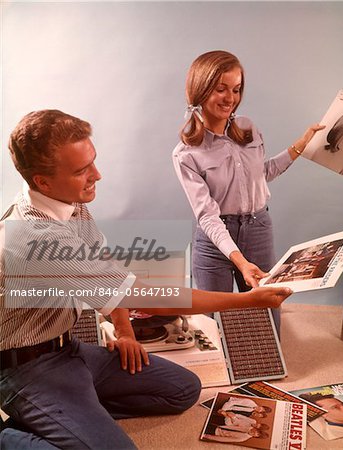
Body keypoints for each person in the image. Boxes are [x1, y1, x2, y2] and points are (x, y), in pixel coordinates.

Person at [0, 109, 293, 450]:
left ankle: (73, 418)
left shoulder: (69, 202)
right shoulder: (35, 237)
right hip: (27, 370)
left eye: (93, 161)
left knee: (184, 390)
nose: (98, 174)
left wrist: (124, 332)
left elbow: (110, 273)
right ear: (43, 181)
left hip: (70, 350)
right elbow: (144, 296)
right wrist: (246, 301)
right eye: (82, 171)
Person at [172, 50, 325, 330]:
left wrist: (301, 145)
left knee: (265, 317)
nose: (230, 98)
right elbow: (207, 215)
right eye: (220, 89)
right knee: (212, 323)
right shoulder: (186, 154)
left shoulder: (249, 128)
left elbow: (261, 174)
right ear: (201, 89)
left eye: (236, 89)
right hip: (214, 238)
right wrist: (240, 261)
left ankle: (263, 373)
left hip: (257, 229)